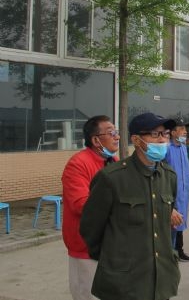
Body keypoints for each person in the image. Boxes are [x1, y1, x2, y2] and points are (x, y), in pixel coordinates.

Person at [80, 112, 181, 300]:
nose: (162, 140)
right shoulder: (112, 178)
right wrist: (114, 260)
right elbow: (91, 228)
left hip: (160, 279)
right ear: (136, 140)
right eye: (155, 134)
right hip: (125, 283)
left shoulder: (169, 176)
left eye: (165, 134)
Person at [62, 115, 119, 300]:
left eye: (116, 132)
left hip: (111, 244)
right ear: (95, 140)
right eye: (111, 133)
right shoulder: (78, 164)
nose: (117, 137)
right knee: (89, 295)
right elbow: (81, 205)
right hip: (86, 247)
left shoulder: (114, 161)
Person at [164, 117, 189, 262]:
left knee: (180, 221)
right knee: (172, 223)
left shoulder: (183, 147)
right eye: (181, 129)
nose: (185, 131)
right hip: (171, 192)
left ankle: (179, 249)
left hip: (183, 191)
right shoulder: (167, 149)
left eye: (185, 129)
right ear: (173, 132)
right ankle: (170, 252)